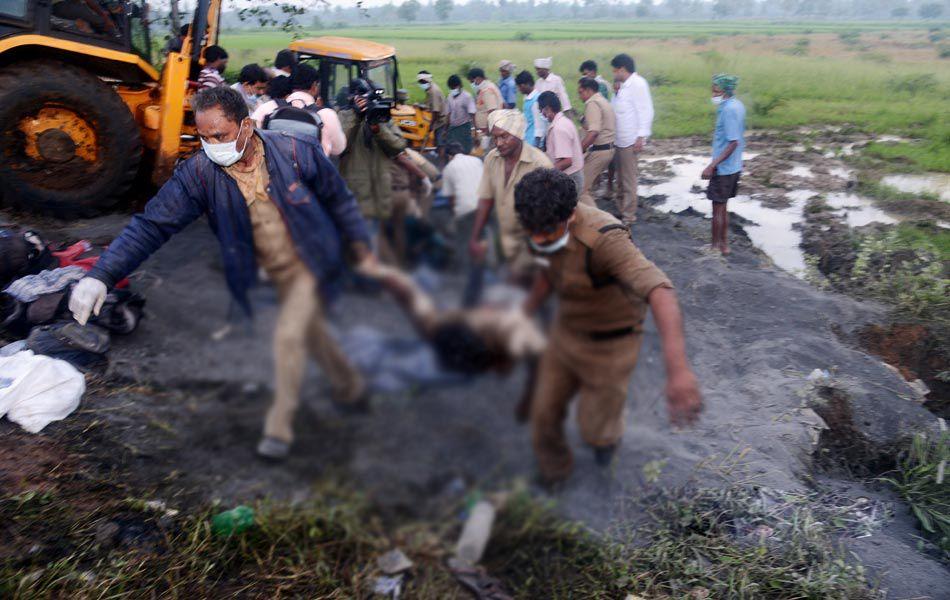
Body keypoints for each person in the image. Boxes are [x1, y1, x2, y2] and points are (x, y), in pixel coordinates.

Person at [67, 87, 374, 460]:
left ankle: (283, 424)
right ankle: (346, 381)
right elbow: (151, 226)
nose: (212, 145)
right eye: (203, 136)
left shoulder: (295, 151)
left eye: (220, 135)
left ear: (246, 126)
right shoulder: (199, 174)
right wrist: (100, 275)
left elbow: (340, 202)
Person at [514, 168, 702, 484]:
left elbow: (661, 290)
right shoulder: (540, 220)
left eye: (546, 233)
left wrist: (679, 371)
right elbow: (548, 272)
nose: (537, 240)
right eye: (531, 231)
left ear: (571, 216)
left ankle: (605, 456)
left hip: (612, 343)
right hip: (568, 331)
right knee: (543, 413)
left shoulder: (606, 239)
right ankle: (555, 474)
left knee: (596, 428)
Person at [338, 78, 429, 263]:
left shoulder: (381, 117)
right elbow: (341, 145)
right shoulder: (342, 115)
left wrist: (378, 128)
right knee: (358, 241)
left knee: (376, 241)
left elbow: (399, 146)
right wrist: (356, 116)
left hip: (380, 192)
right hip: (355, 193)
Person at [469, 110, 553, 286]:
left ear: (518, 134)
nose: (498, 143)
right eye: (495, 138)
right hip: (503, 242)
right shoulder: (492, 158)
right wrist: (475, 237)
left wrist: (524, 262)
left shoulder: (540, 165)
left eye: (504, 136)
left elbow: (546, 221)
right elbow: (486, 199)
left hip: (531, 247)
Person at [251, 64, 346, 158]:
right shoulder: (326, 114)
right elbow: (338, 149)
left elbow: (250, 136)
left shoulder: (268, 107)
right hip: (311, 172)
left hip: (275, 171)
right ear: (314, 86)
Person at [701, 73, 746, 256]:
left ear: (725, 90)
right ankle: (724, 246)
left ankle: (714, 247)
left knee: (717, 208)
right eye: (712, 88)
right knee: (723, 207)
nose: (713, 92)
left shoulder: (728, 110)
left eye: (716, 89)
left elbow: (733, 142)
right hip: (734, 166)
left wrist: (712, 165)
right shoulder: (736, 105)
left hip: (724, 168)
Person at [610, 53, 654, 229]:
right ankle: (621, 209)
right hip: (620, 138)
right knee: (620, 179)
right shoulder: (623, 86)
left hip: (630, 139)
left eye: (615, 70)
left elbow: (646, 111)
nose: (613, 73)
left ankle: (629, 216)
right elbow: (617, 108)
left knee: (629, 180)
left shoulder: (638, 84)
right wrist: (616, 92)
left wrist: (641, 137)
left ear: (622, 69)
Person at [441, 142, 485, 306]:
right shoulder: (476, 160)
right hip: (483, 205)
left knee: (463, 241)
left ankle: (463, 276)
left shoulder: (449, 168)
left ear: (449, 156)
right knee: (480, 239)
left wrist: (455, 213)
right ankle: (482, 271)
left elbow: (450, 198)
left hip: (465, 209)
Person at [577, 77, 616, 206]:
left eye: (581, 92)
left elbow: (594, 132)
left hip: (601, 151)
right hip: (608, 149)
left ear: (588, 90)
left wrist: (579, 150)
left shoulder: (592, 103)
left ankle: (596, 222)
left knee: (580, 188)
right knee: (584, 186)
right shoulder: (603, 100)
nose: (579, 96)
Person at [538, 91, 585, 197]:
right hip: (571, 175)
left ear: (548, 109)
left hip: (570, 177)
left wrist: (546, 176)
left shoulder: (559, 128)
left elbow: (567, 161)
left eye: (542, 110)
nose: (542, 114)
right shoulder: (564, 122)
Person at [533, 57, 573, 124]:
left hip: (554, 115)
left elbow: (564, 98)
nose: (537, 72)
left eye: (539, 69)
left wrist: (568, 118)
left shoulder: (556, 80)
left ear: (545, 69)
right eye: (536, 69)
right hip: (542, 116)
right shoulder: (538, 83)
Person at [445, 74, 476, 154]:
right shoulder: (449, 97)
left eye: (454, 87)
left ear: (459, 86)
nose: (453, 89)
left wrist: (475, 129)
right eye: (451, 88)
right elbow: (448, 114)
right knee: (452, 150)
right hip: (452, 128)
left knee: (464, 149)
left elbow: (472, 114)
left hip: (463, 128)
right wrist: (446, 128)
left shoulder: (467, 97)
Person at [467, 67, 503, 138]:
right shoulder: (484, 88)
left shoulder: (487, 90)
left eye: (472, 82)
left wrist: (488, 130)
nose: (472, 85)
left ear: (477, 79)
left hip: (488, 130)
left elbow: (492, 111)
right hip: (485, 129)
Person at [417, 71, 447, 151]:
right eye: (420, 82)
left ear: (428, 80)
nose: (421, 84)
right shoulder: (429, 90)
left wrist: (431, 125)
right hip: (437, 119)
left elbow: (436, 111)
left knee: (440, 144)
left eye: (422, 82)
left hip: (441, 121)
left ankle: (442, 161)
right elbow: (429, 105)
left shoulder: (434, 91)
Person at [51, 0, 116, 34]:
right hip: (61, 5)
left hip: (54, 9)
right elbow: (90, 2)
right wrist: (105, 18)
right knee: (102, 23)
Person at [516, 70, 542, 149]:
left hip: (533, 141)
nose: (519, 89)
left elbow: (539, 125)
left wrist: (536, 146)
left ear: (528, 84)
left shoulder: (536, 100)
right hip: (527, 137)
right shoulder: (527, 98)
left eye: (520, 86)